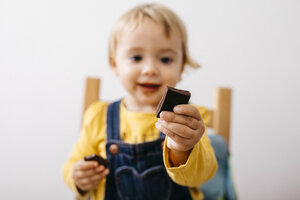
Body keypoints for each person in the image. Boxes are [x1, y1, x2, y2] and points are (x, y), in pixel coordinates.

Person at [62, 3, 217, 200]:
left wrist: (183, 148)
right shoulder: (98, 116)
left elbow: (201, 176)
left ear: (182, 66)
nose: (150, 69)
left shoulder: (189, 119)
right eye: (136, 57)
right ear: (114, 64)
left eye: (165, 59)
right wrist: (77, 177)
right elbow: (71, 165)